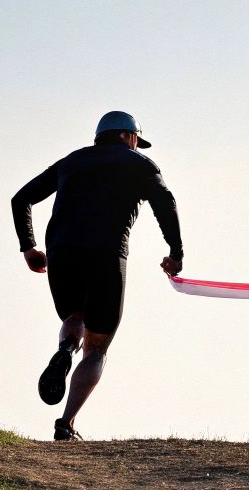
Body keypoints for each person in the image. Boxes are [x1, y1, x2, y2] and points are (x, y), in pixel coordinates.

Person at [10, 111, 183, 441]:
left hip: (61, 252)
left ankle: (64, 349)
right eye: (136, 139)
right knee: (98, 346)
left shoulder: (71, 161)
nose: (136, 145)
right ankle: (67, 422)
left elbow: (22, 199)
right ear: (125, 136)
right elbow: (166, 203)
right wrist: (176, 252)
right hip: (106, 254)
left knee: (75, 316)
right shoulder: (140, 164)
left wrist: (29, 248)